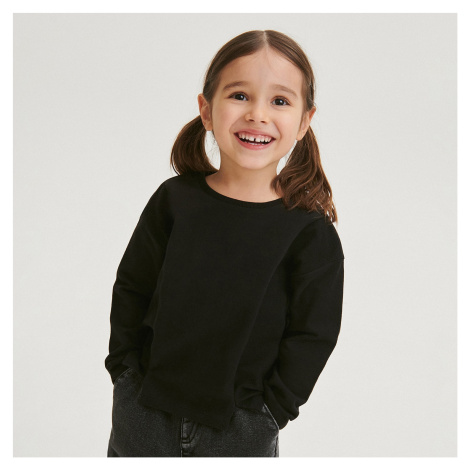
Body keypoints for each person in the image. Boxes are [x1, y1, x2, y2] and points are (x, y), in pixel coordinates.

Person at [105, 29, 345, 458]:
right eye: (239, 95)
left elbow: (314, 333)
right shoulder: (174, 201)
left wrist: (272, 411)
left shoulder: (309, 232)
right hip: (143, 417)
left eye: (280, 101)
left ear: (304, 121)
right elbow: (132, 288)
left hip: (241, 432)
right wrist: (125, 376)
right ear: (206, 109)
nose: (257, 114)